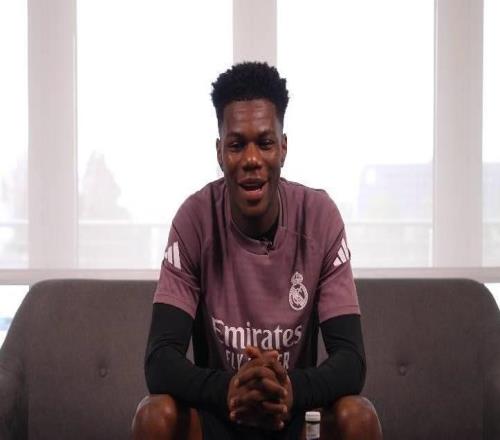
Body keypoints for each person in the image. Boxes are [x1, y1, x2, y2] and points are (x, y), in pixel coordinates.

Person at [132, 62, 382, 439]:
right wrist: (230, 389)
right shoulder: (194, 220)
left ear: (283, 148)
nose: (251, 159)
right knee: (153, 416)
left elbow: (351, 361)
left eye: (264, 143)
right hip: (222, 413)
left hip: (292, 413)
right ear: (220, 152)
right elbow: (159, 360)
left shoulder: (320, 218)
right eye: (237, 145)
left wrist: (290, 390)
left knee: (359, 417)